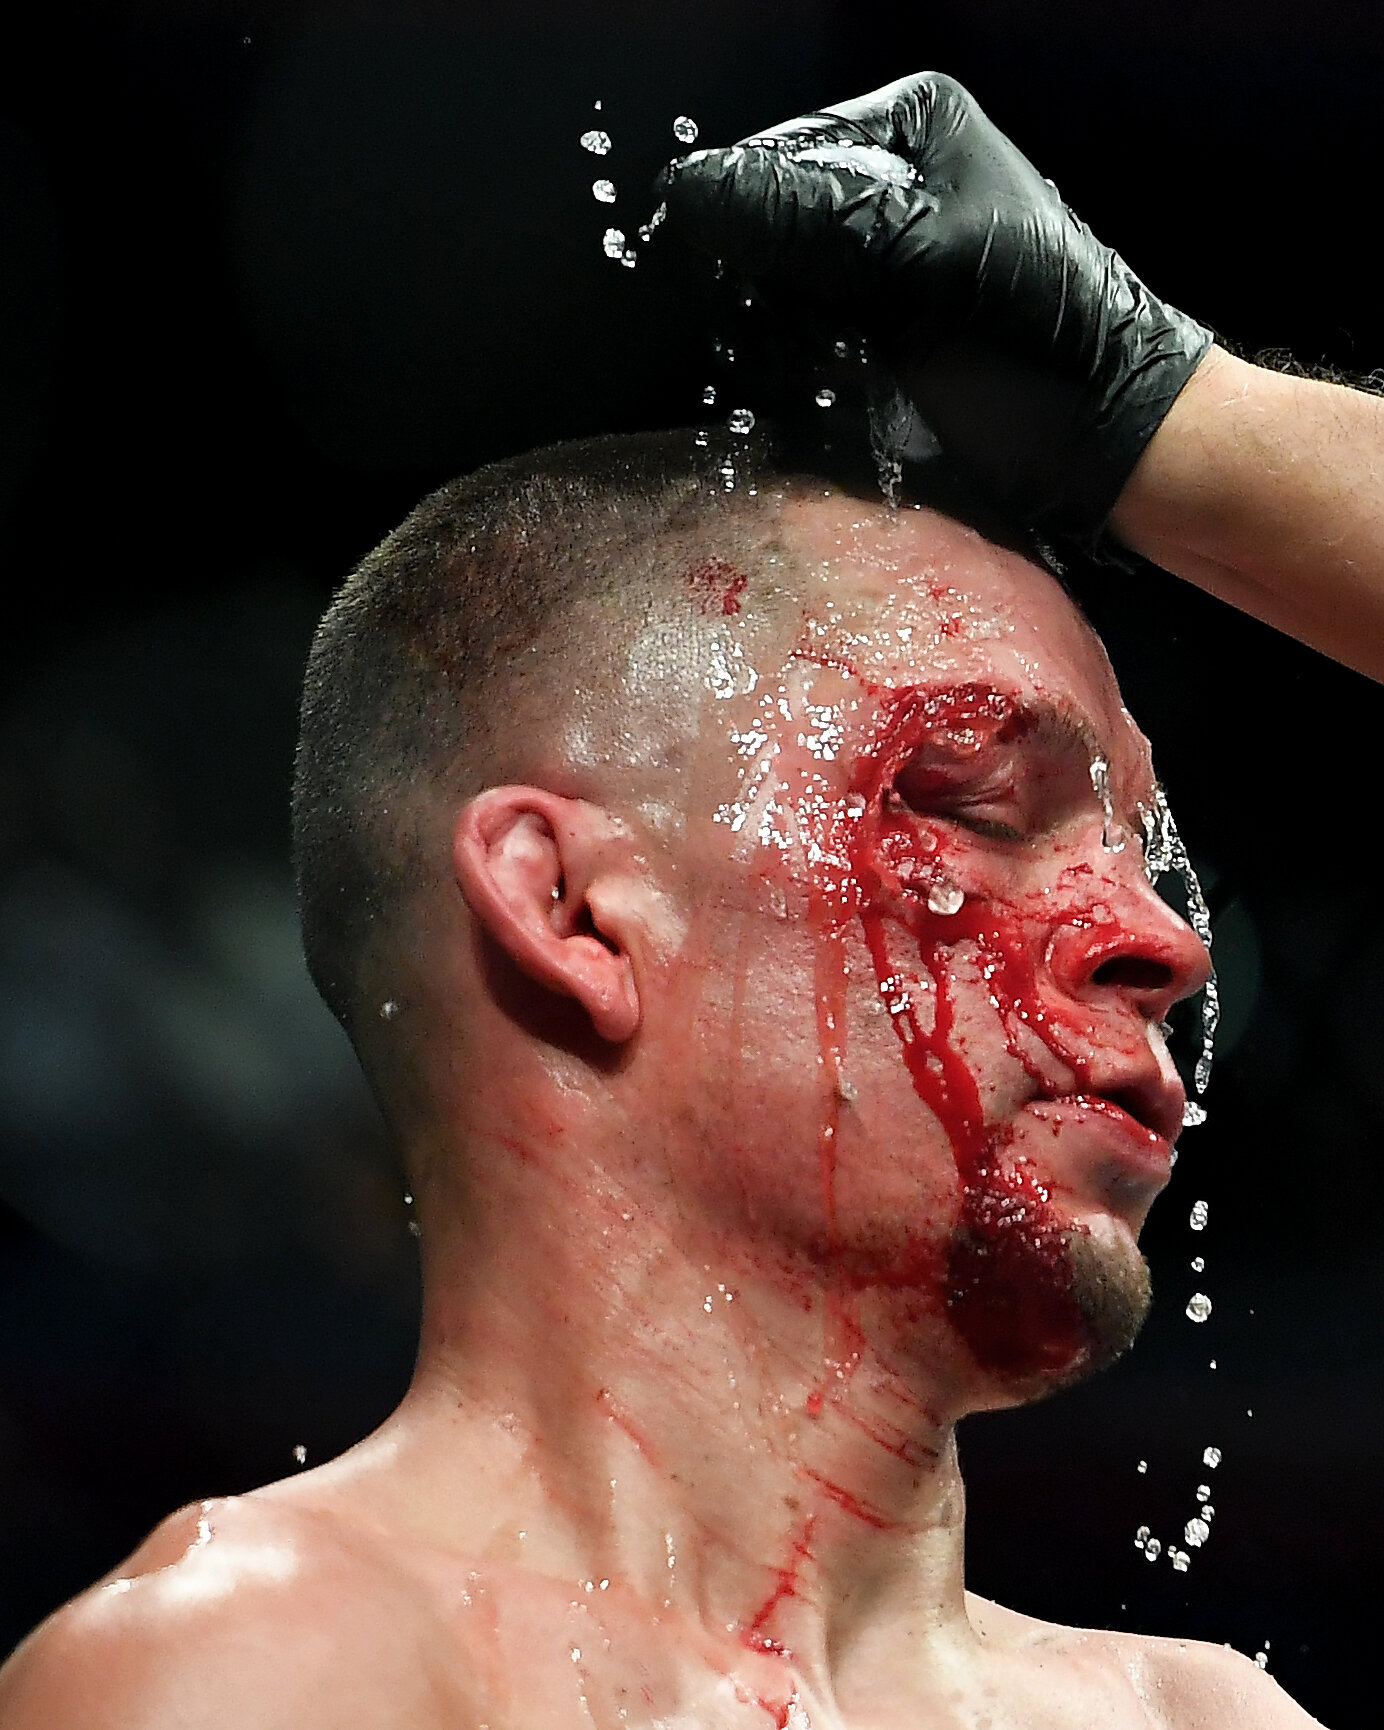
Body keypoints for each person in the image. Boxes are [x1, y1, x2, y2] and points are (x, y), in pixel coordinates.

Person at [0, 70, 1356, 1730]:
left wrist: (1178, 413)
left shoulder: (1204, 1721)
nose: (1163, 937)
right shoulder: (273, 1670)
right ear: (572, 909)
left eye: (1144, 854)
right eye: (969, 806)